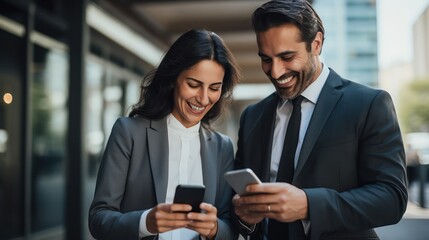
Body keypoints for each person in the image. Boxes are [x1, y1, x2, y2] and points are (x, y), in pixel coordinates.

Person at [231, 0, 408, 239]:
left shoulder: (368, 104)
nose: (275, 72)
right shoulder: (252, 116)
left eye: (287, 57)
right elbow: (241, 209)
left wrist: (308, 205)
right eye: (266, 59)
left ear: (316, 43)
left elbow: (392, 198)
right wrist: (244, 216)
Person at [88, 29, 240, 240]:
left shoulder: (222, 147)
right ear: (173, 79)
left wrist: (214, 228)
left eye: (214, 88)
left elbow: (230, 228)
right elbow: (98, 219)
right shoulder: (129, 133)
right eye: (194, 85)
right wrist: (145, 222)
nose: (204, 99)